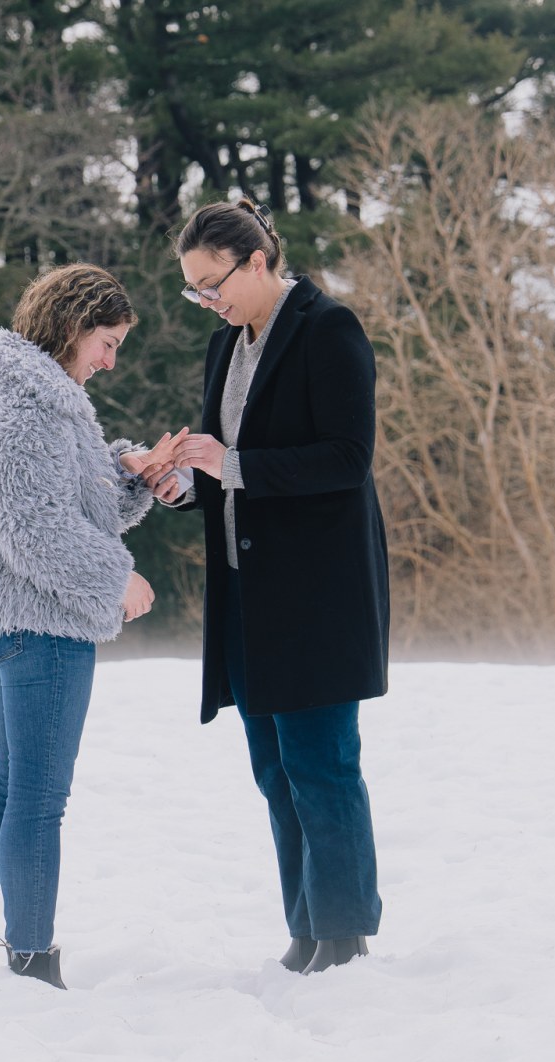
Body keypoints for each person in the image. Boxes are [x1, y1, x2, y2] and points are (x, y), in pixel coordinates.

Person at [0, 263, 184, 989]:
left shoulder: (29, 390)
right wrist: (116, 580)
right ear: (73, 327)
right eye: (107, 341)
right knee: (38, 800)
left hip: (17, 616)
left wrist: (132, 472)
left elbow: (61, 495)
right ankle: (34, 967)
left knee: (9, 789)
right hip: (41, 620)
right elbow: (34, 531)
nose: (109, 359)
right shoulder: (26, 403)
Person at [154, 199, 390, 974]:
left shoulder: (329, 330)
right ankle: (305, 926)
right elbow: (219, 462)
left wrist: (235, 467)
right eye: (193, 290)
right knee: (273, 769)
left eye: (210, 283)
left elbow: (347, 460)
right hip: (245, 594)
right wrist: (184, 484)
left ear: (257, 261)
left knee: (322, 763)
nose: (205, 301)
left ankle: (345, 932)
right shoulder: (227, 347)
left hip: (317, 597)